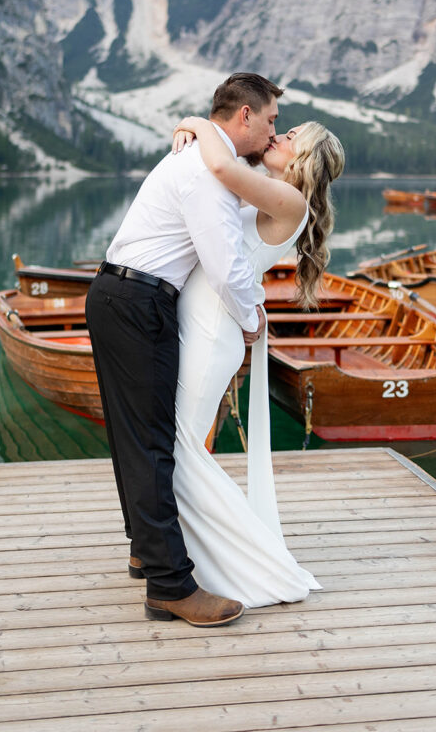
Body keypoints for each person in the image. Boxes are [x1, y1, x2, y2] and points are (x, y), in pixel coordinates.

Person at [84, 73, 283, 627]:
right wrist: (250, 318)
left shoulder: (206, 159)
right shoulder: (208, 171)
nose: (273, 132)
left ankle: (145, 550)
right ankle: (170, 586)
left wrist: (194, 124)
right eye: (269, 120)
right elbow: (225, 264)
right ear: (244, 116)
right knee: (151, 442)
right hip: (137, 301)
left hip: (118, 293)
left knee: (135, 437)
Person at [167, 115, 345, 607]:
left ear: (303, 159)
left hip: (210, 336)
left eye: (290, 137)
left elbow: (222, 168)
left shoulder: (289, 200)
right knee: (180, 448)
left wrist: (196, 122)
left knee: (183, 451)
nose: (278, 136)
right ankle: (178, 552)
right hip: (203, 325)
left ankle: (244, 561)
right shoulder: (273, 193)